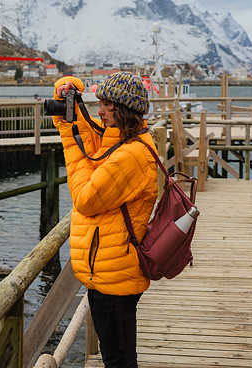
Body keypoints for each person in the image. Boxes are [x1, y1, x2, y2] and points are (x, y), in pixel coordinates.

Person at [51, 71, 158, 368]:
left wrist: (71, 146)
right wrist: (67, 99)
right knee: (117, 356)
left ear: (121, 109)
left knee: (118, 360)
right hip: (110, 270)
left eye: (105, 106)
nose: (99, 112)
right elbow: (92, 138)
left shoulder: (132, 155)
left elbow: (85, 199)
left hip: (115, 275)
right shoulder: (124, 140)